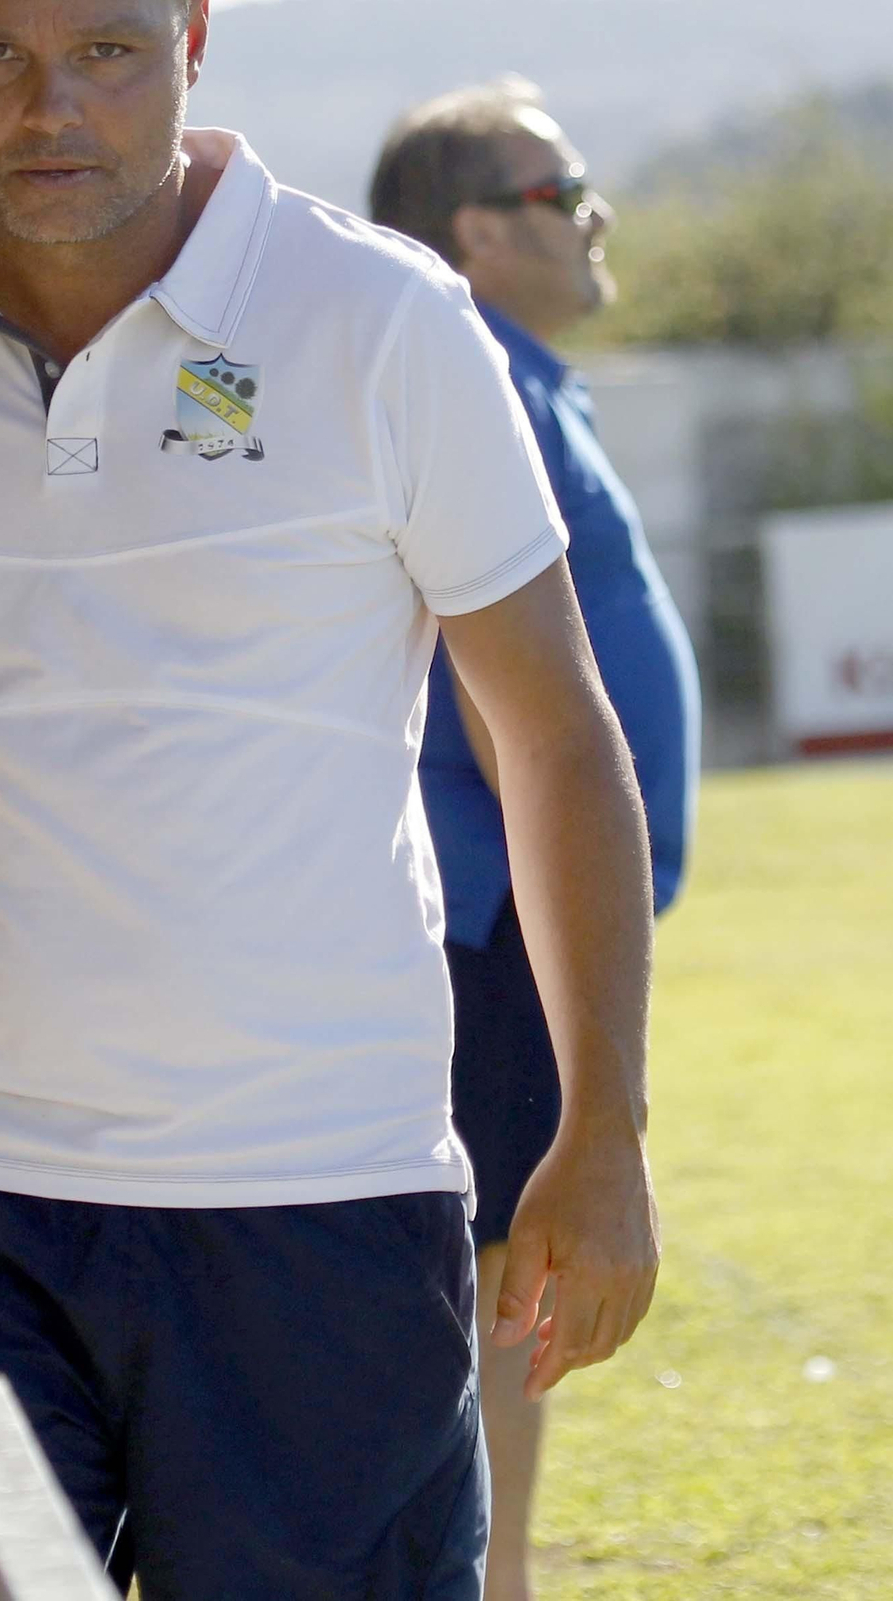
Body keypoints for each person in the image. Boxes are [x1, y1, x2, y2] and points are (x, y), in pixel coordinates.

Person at [0, 0, 662, 1601]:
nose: (52, 107)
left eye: (108, 50)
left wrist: (604, 1124)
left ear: (196, 40)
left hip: (315, 1216)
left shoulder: (384, 325)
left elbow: (553, 736)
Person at [370, 80, 699, 1601]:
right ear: (476, 237)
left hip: (524, 915)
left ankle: (494, 1573)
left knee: (512, 1267)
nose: (594, 216)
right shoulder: (465, 387)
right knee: (494, 1271)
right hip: (492, 916)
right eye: (562, 192)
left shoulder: (524, 378)